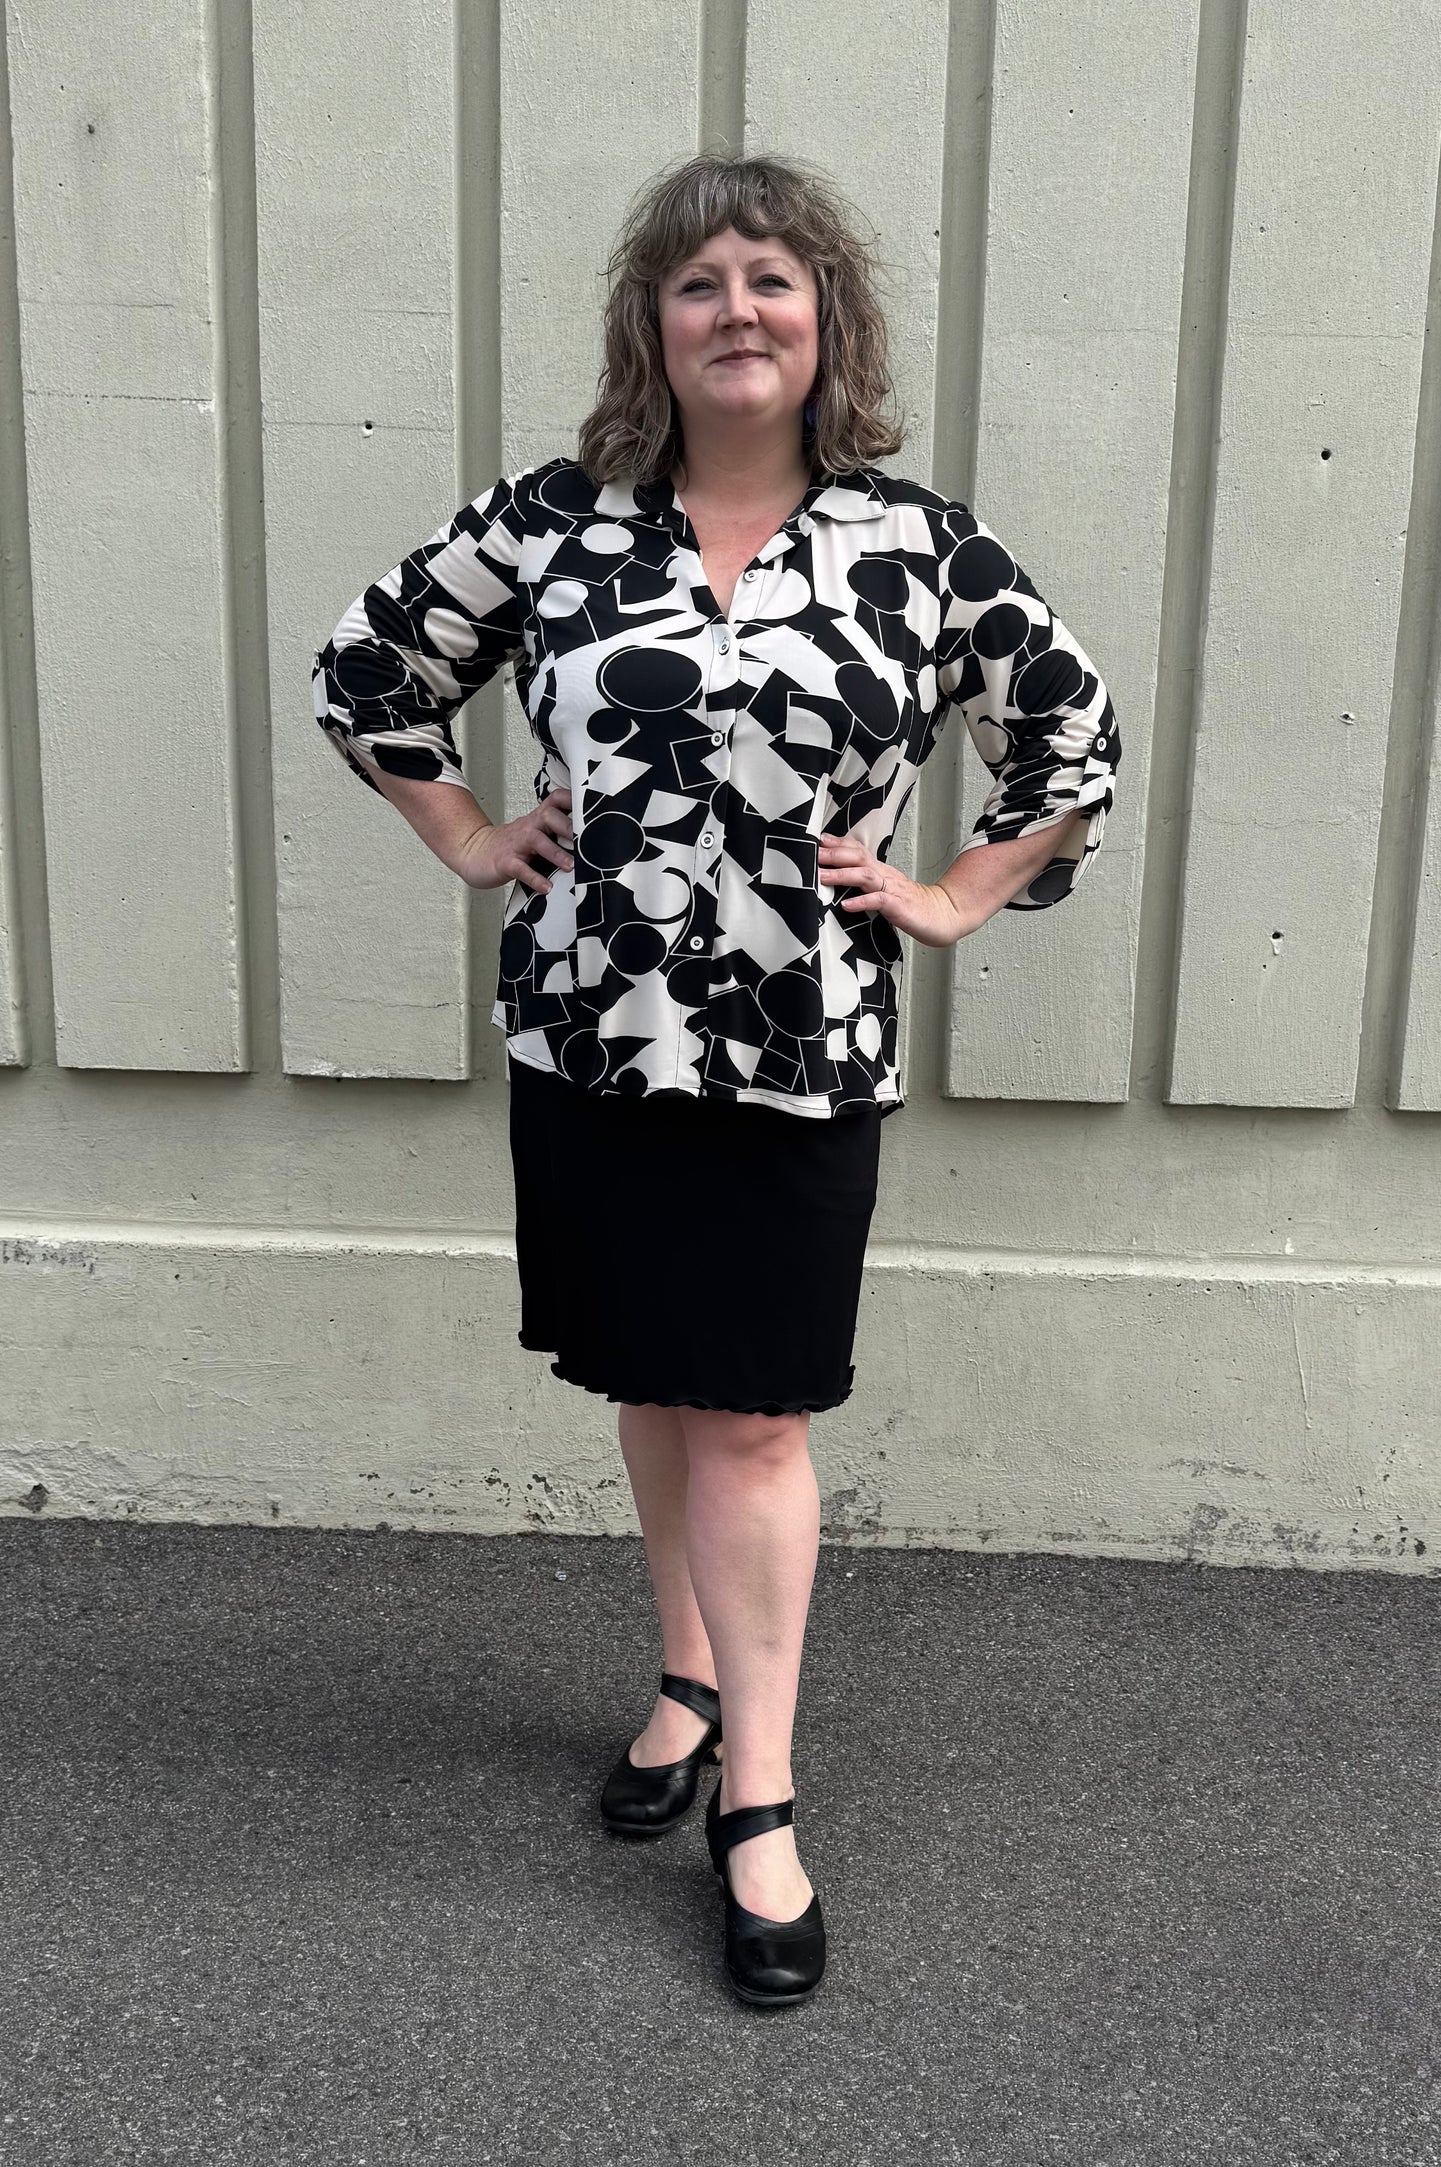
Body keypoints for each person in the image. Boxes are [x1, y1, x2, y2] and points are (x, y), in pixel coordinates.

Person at [311, 150, 1121, 2009]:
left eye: (772, 277)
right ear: (649, 326)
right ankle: (683, 1675)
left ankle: (755, 1794)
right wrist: (462, 838)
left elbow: (1063, 733)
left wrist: (952, 894)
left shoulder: (916, 547)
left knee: (756, 1409)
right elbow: (373, 669)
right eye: (698, 283)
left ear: (823, 315)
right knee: (655, 1372)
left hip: (797, 1044)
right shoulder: (555, 522)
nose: (735, 308)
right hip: (592, 1027)